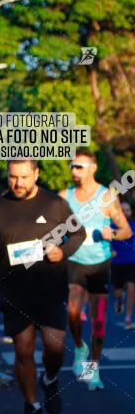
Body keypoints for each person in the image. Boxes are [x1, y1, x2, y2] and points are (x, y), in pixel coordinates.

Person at [0, 159, 86, 414]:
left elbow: (78, 234)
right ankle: (31, 404)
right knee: (23, 350)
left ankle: (49, 378)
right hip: (15, 291)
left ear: (36, 174)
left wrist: (63, 251)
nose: (19, 183)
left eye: (24, 177)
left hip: (49, 288)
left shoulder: (53, 204)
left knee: (54, 348)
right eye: (13, 177)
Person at [61, 148, 132, 388]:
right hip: (74, 261)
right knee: (72, 312)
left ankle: (93, 369)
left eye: (79, 166)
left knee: (99, 322)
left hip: (100, 264)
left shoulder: (106, 197)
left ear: (92, 168)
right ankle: (80, 346)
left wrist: (112, 233)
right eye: (72, 166)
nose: (74, 170)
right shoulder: (64, 196)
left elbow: (127, 231)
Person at [111, 201, 135, 329]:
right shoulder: (111, 226)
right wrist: (109, 251)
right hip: (117, 262)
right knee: (118, 291)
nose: (125, 212)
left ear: (130, 212)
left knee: (132, 287)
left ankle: (128, 317)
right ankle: (119, 300)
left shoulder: (133, 226)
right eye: (123, 210)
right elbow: (105, 241)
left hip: (132, 261)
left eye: (128, 210)